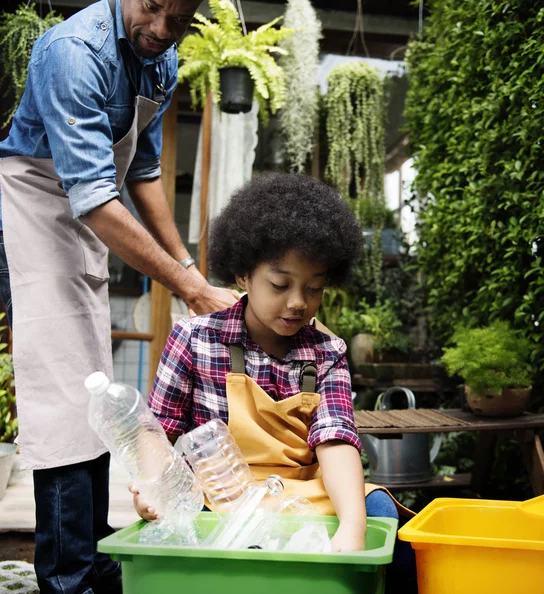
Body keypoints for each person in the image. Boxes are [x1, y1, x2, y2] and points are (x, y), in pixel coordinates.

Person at [0, 1, 237, 593]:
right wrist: (187, 287)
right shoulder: (74, 51)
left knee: (93, 396)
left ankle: (90, 556)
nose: (163, 29)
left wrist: (191, 272)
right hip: (26, 216)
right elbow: (93, 196)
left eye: (181, 17)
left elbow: (140, 173)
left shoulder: (158, 58)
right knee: (64, 400)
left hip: (81, 219)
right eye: (152, 6)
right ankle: (69, 577)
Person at [133, 173, 409, 554]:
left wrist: (352, 525)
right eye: (281, 285)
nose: (298, 302)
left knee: (378, 510)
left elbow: (336, 441)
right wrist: (153, 485)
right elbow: (156, 432)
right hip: (219, 493)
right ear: (243, 274)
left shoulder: (327, 353)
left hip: (303, 491)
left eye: (314, 288)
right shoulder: (195, 339)